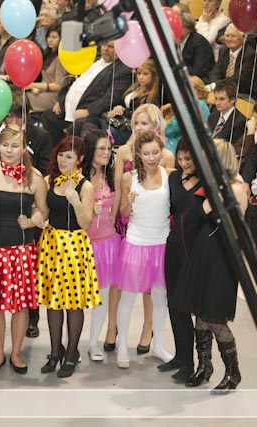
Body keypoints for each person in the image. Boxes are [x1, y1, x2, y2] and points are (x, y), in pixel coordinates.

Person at [172, 138, 248, 393]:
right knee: (201, 312)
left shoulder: (236, 189)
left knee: (215, 316)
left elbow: (235, 229)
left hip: (223, 256)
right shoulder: (211, 186)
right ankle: (204, 367)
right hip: (203, 251)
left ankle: (233, 372)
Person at [0, 124, 46, 374]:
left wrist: (34, 218)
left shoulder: (35, 177)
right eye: (5, 145)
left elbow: (43, 211)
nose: (9, 150)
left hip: (21, 250)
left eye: (15, 145)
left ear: (23, 149)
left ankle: (16, 353)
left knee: (21, 306)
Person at [111, 104, 174, 357]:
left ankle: (158, 345)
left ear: (160, 152)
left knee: (159, 298)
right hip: (136, 243)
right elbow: (125, 212)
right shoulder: (130, 178)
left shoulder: (169, 174)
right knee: (127, 297)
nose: (151, 157)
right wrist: (128, 203)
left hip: (162, 244)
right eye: (146, 153)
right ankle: (121, 347)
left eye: (155, 153)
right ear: (139, 154)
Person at [35, 136, 99, 378]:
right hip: (52, 244)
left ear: (80, 159)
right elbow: (42, 209)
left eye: (69, 156)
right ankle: (55, 352)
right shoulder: (50, 180)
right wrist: (37, 215)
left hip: (74, 246)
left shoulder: (86, 186)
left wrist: (76, 203)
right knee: (52, 302)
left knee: (72, 303)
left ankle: (71, 353)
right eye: (61, 155)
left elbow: (86, 223)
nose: (63, 160)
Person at [157, 139, 203, 384]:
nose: (184, 163)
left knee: (190, 308)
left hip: (195, 253)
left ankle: (194, 364)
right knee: (174, 304)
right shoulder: (173, 177)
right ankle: (181, 357)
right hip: (172, 248)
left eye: (189, 159)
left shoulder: (207, 183)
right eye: (181, 158)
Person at [40, 41, 133, 145]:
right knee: (47, 117)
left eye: (110, 47)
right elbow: (73, 82)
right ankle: (59, 150)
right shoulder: (94, 59)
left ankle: (71, 151)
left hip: (91, 113)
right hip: (68, 110)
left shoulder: (123, 70)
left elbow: (110, 97)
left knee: (78, 126)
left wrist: (89, 111)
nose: (105, 49)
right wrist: (62, 102)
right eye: (104, 45)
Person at [81, 130, 120, 362]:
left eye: (109, 149)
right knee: (76, 298)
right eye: (101, 148)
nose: (106, 153)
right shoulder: (79, 175)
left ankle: (93, 342)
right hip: (83, 244)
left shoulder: (110, 174)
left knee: (102, 297)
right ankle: (71, 343)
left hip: (107, 243)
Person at [105, 59, 161, 145]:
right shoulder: (134, 87)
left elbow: (142, 116)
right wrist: (119, 107)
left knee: (103, 131)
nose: (141, 77)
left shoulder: (153, 96)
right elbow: (124, 103)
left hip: (131, 129)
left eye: (145, 74)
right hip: (119, 122)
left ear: (153, 76)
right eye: (139, 73)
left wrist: (123, 111)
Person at [26, 22, 68, 114]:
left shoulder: (60, 58)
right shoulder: (47, 54)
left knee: (20, 99)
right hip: (43, 91)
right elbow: (45, 79)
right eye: (49, 36)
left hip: (54, 97)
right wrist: (36, 88)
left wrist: (33, 85)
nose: (50, 40)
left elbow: (58, 86)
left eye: (54, 37)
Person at [208, 24, 257, 99]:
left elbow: (240, 79)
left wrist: (216, 85)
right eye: (227, 36)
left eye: (233, 36)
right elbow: (216, 72)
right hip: (223, 89)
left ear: (243, 38)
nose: (229, 39)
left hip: (243, 93)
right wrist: (215, 84)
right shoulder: (223, 50)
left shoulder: (250, 54)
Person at [164, 76, 210, 154]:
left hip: (188, 147)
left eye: (188, 89)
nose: (183, 92)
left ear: (200, 94)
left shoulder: (197, 104)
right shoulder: (186, 106)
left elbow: (175, 128)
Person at [207, 79, 249, 160]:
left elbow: (232, 149)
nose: (217, 103)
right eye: (216, 98)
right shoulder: (212, 116)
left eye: (222, 99)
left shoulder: (241, 121)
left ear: (232, 100)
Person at [178, 13, 215, 81]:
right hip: (183, 77)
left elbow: (198, 70)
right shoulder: (174, 40)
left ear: (188, 28)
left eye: (180, 27)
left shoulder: (200, 43)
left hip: (200, 80)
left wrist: (178, 69)